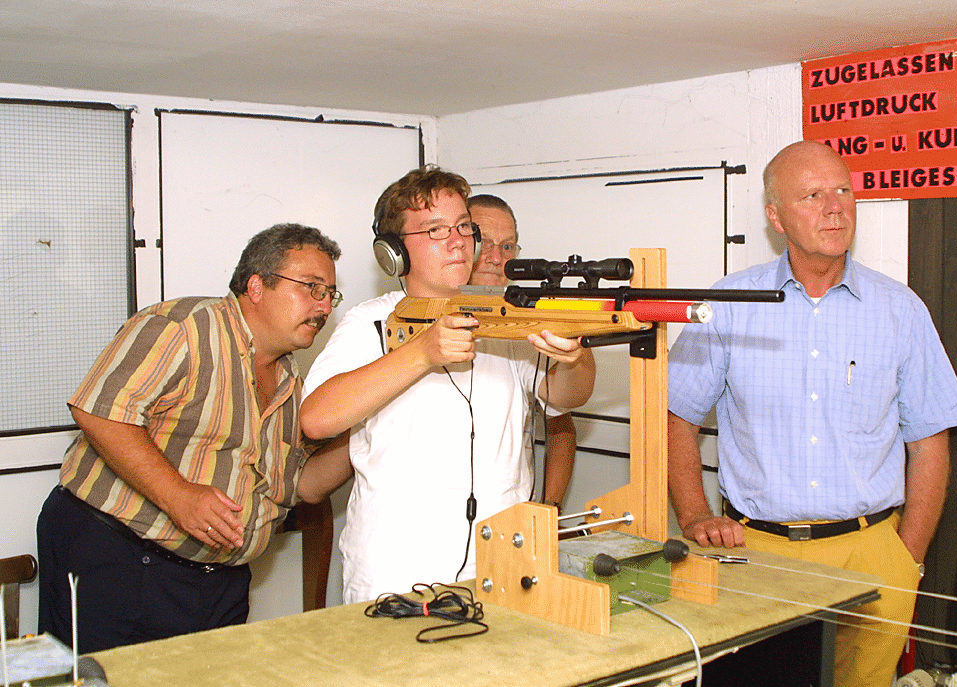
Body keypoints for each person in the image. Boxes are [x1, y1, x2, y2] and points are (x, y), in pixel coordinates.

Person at [666, 141, 957, 687]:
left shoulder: (900, 309)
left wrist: (907, 559)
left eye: (844, 190)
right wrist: (692, 518)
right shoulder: (729, 302)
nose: (836, 207)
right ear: (775, 217)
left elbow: (930, 441)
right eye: (812, 195)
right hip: (755, 552)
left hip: (872, 552)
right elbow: (676, 417)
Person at [37, 223, 346, 652]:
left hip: (218, 586)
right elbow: (98, 411)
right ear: (257, 286)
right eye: (311, 287)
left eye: (330, 293)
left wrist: (364, 431)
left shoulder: (288, 378)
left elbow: (300, 485)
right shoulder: (182, 327)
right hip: (119, 560)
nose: (323, 305)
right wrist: (178, 495)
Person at [300, 166, 595, 604]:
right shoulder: (370, 322)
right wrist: (421, 353)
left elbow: (567, 397)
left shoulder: (503, 317)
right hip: (396, 570)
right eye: (435, 230)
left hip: (502, 562)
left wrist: (572, 358)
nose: (458, 240)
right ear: (395, 252)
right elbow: (317, 419)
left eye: (462, 226)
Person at [467, 193, 578, 509]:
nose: (495, 257)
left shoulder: (524, 323)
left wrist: (548, 508)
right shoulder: (416, 314)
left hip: (511, 525)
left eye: (506, 246)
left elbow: (560, 423)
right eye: (483, 242)